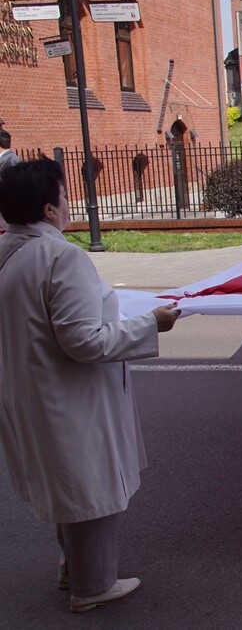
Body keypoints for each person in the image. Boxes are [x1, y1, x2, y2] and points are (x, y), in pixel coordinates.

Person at [0, 158, 180, 613]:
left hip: (34, 394)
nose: (69, 202)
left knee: (67, 483)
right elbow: (83, 339)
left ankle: (71, 568)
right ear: (48, 208)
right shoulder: (62, 256)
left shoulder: (11, 256)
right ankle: (93, 584)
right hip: (70, 396)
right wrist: (150, 325)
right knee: (90, 488)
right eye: (64, 194)